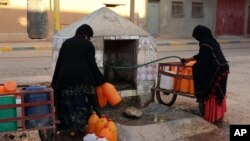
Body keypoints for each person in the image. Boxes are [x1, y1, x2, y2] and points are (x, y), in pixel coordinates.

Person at [51, 24, 106, 135]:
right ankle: (81, 126)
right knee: (83, 103)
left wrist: (55, 81)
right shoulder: (88, 44)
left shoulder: (66, 43)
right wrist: (101, 79)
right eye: (89, 36)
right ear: (86, 35)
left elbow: (59, 63)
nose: (89, 39)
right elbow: (92, 64)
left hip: (65, 80)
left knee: (69, 104)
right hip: (82, 80)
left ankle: (71, 128)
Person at [181, 25, 229, 124]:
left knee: (208, 89)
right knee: (218, 93)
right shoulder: (212, 42)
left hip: (216, 71)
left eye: (197, 37)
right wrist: (188, 60)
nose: (198, 39)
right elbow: (201, 56)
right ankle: (218, 116)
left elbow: (203, 64)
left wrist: (194, 69)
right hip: (223, 68)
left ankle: (213, 116)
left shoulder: (205, 45)